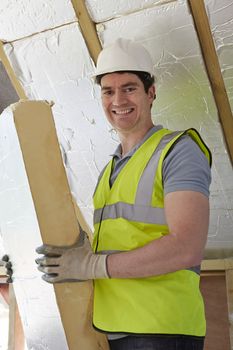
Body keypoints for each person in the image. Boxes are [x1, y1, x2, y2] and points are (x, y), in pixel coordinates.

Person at [36, 38, 212, 350]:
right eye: (108, 91)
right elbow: (123, 239)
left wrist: (90, 265)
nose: (118, 99)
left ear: (151, 93)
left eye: (129, 88)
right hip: (113, 329)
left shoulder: (178, 151)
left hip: (163, 330)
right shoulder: (108, 171)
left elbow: (186, 247)